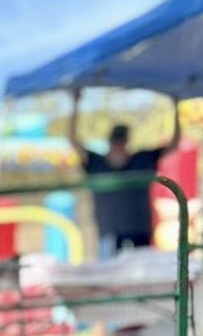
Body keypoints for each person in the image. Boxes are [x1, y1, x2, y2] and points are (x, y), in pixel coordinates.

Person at [67, 93, 181, 258]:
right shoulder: (96, 163)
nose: (118, 145)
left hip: (140, 231)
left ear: (127, 141)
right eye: (115, 141)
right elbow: (73, 139)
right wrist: (75, 104)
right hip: (109, 233)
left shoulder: (142, 160)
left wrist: (175, 109)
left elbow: (173, 143)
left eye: (121, 141)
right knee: (111, 274)